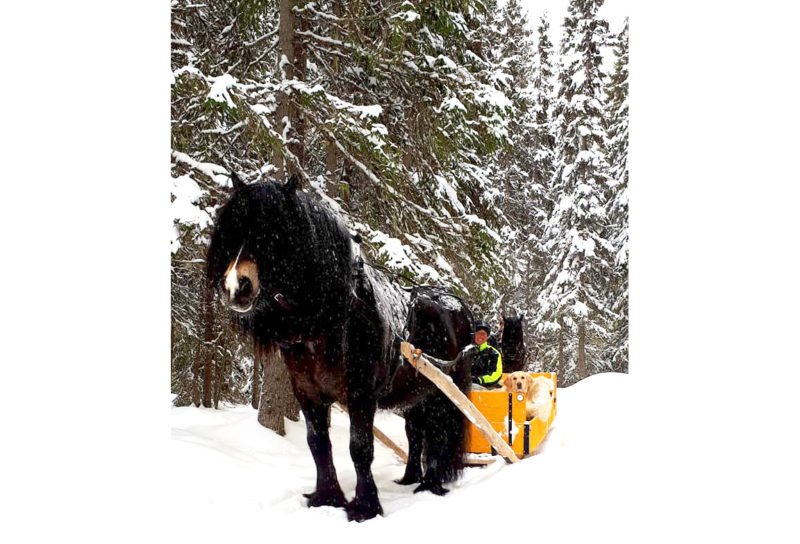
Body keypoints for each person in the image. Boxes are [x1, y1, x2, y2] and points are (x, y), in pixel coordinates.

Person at [470, 321, 503, 389]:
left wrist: (480, 380)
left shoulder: (494, 353)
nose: (480, 336)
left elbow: (495, 374)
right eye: (478, 333)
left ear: (487, 336)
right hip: (465, 385)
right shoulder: (465, 351)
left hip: (486, 387)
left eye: (483, 334)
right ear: (474, 335)